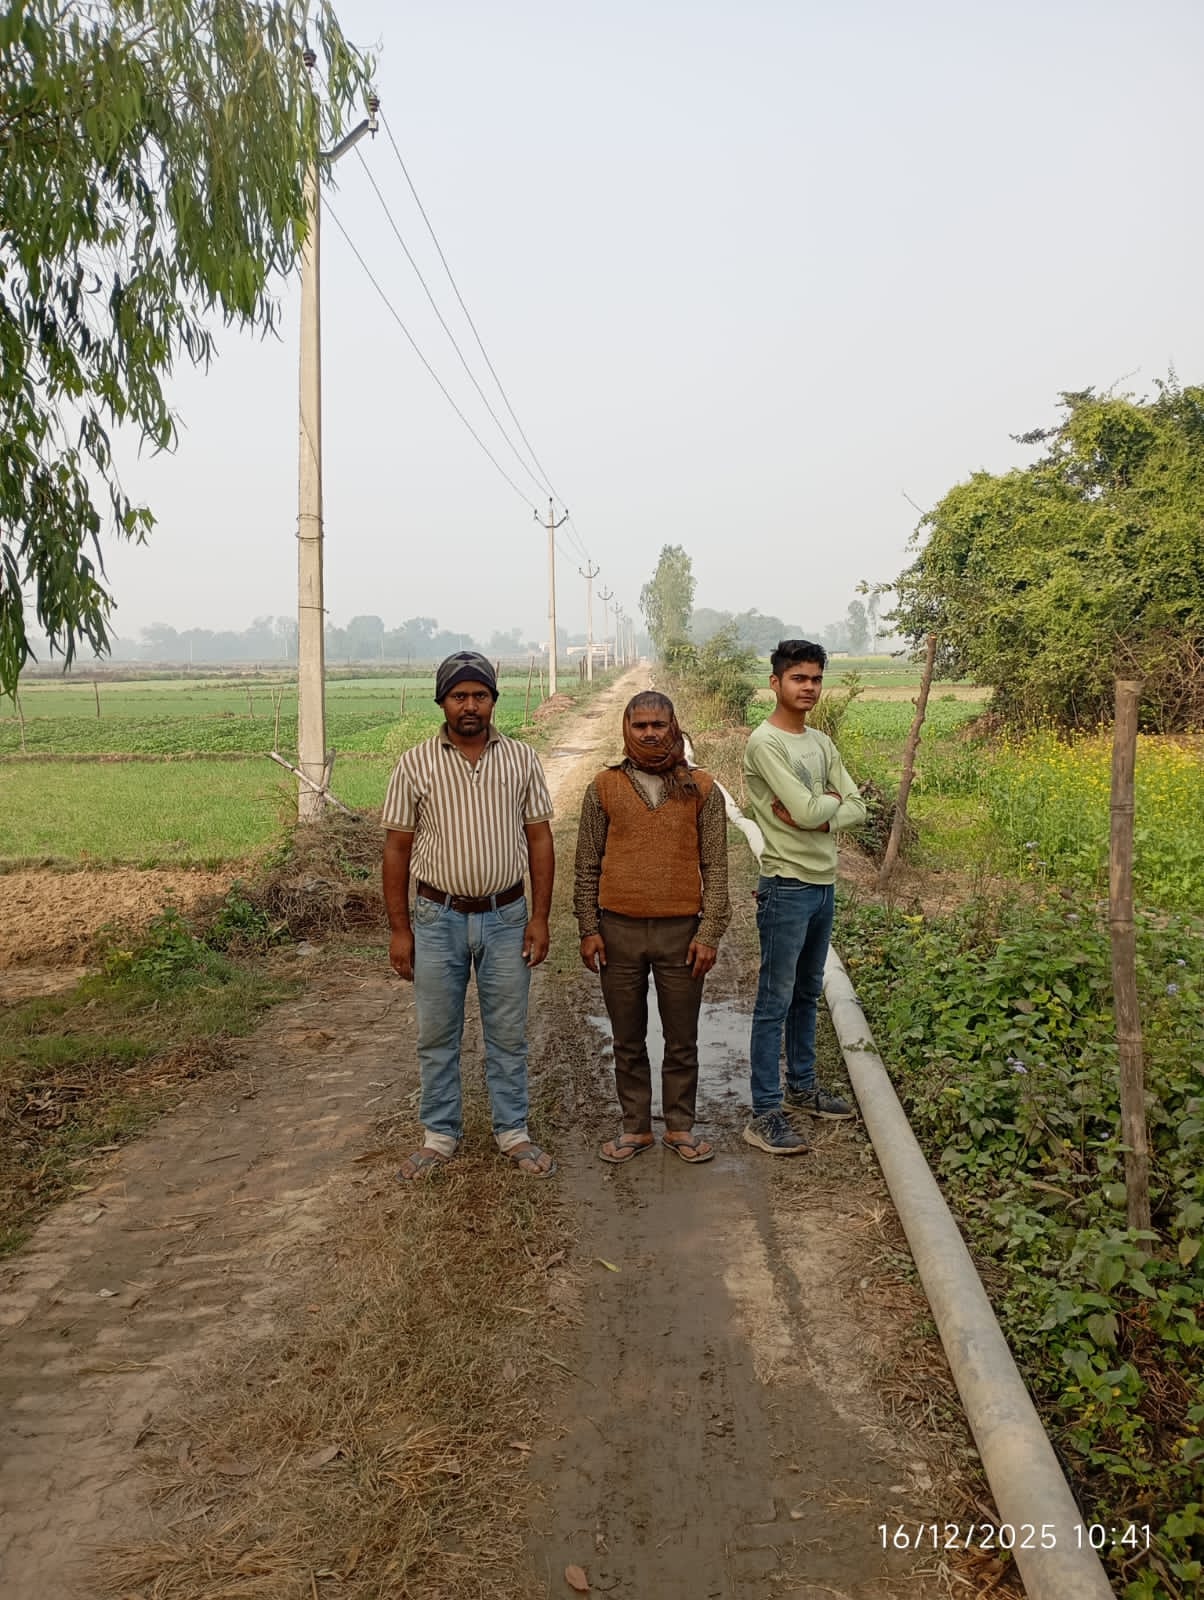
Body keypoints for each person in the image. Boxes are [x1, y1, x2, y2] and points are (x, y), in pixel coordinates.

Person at [382, 650, 556, 1179]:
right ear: (442, 702)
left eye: (480, 695)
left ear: (494, 701)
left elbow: (540, 839)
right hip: (438, 918)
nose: (470, 705)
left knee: (508, 1034)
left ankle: (513, 1131)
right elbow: (396, 850)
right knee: (437, 1035)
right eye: (459, 696)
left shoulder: (521, 759)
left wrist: (540, 917)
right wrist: (400, 929)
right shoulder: (414, 764)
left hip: (507, 916)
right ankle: (439, 1134)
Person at [574, 690, 730, 1164]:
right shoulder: (603, 787)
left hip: (681, 934)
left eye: (658, 725)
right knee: (627, 1038)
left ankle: (680, 1127)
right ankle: (635, 1128)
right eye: (639, 725)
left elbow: (716, 867)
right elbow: (586, 864)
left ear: (673, 727)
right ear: (626, 729)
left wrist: (709, 932)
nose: (649, 734)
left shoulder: (700, 788)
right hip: (617, 932)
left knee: (682, 1039)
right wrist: (588, 927)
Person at [742, 640, 865, 1155]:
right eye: (799, 678)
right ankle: (765, 1112)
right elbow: (811, 810)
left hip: (823, 884)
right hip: (787, 885)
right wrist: (827, 805)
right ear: (776, 683)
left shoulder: (821, 742)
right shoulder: (765, 744)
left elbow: (857, 807)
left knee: (808, 992)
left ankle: (803, 1087)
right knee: (775, 1000)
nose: (809, 687)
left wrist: (824, 810)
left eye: (815, 678)